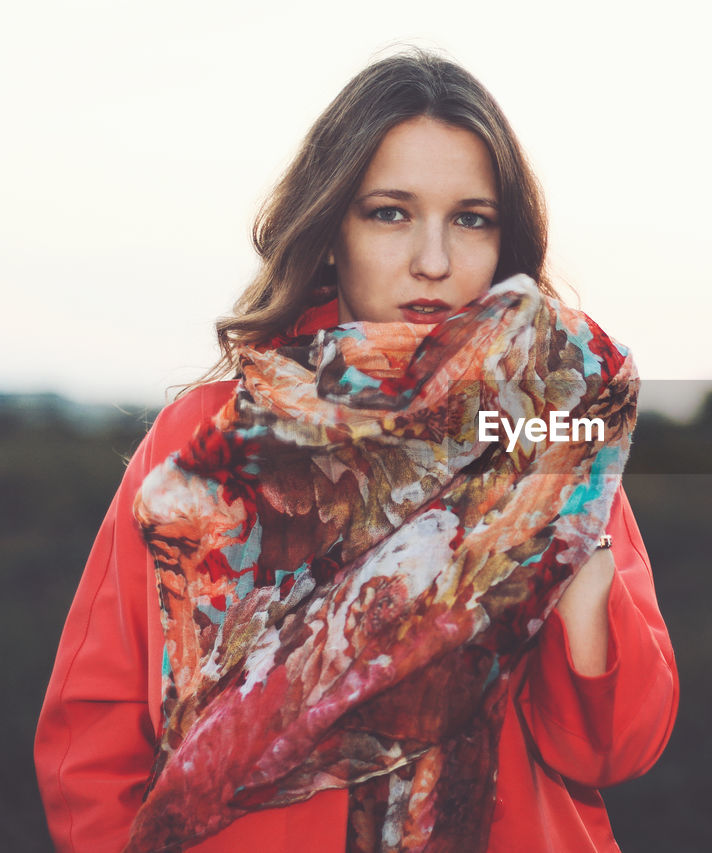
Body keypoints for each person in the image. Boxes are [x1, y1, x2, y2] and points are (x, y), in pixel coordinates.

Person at [34, 48, 678, 853]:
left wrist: (566, 538)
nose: (434, 261)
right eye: (391, 212)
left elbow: (618, 745)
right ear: (332, 226)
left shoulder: (548, 436)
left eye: (471, 219)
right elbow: (89, 742)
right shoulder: (206, 438)